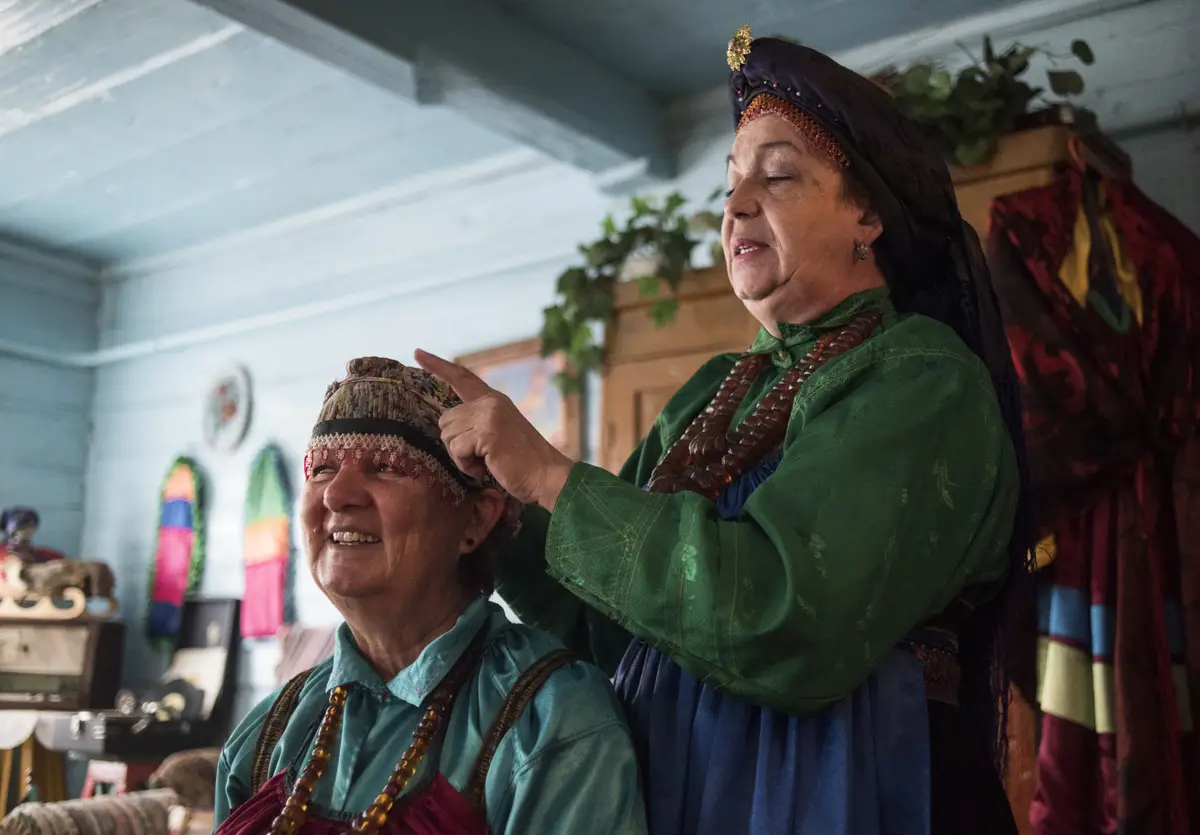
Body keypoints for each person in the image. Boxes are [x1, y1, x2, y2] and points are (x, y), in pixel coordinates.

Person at [414, 26, 1034, 835]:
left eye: (777, 175)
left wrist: (549, 477)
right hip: (682, 789)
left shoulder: (921, 376)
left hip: (849, 788)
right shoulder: (716, 390)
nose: (737, 204)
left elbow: (789, 614)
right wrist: (501, 505)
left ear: (869, 215)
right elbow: (602, 625)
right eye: (731, 182)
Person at [213, 357, 647, 835]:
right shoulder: (267, 733)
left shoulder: (552, 719)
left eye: (385, 467)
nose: (337, 495)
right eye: (323, 468)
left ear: (476, 520)